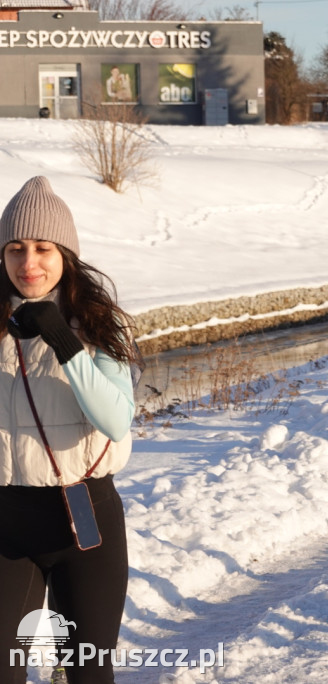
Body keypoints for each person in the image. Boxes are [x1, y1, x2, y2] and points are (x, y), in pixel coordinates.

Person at [0, 176, 140, 683]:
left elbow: (115, 419)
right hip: (8, 522)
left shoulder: (100, 324)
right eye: (15, 248)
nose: (28, 262)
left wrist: (61, 336)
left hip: (87, 522)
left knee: (87, 673)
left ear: (66, 255)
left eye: (42, 248)